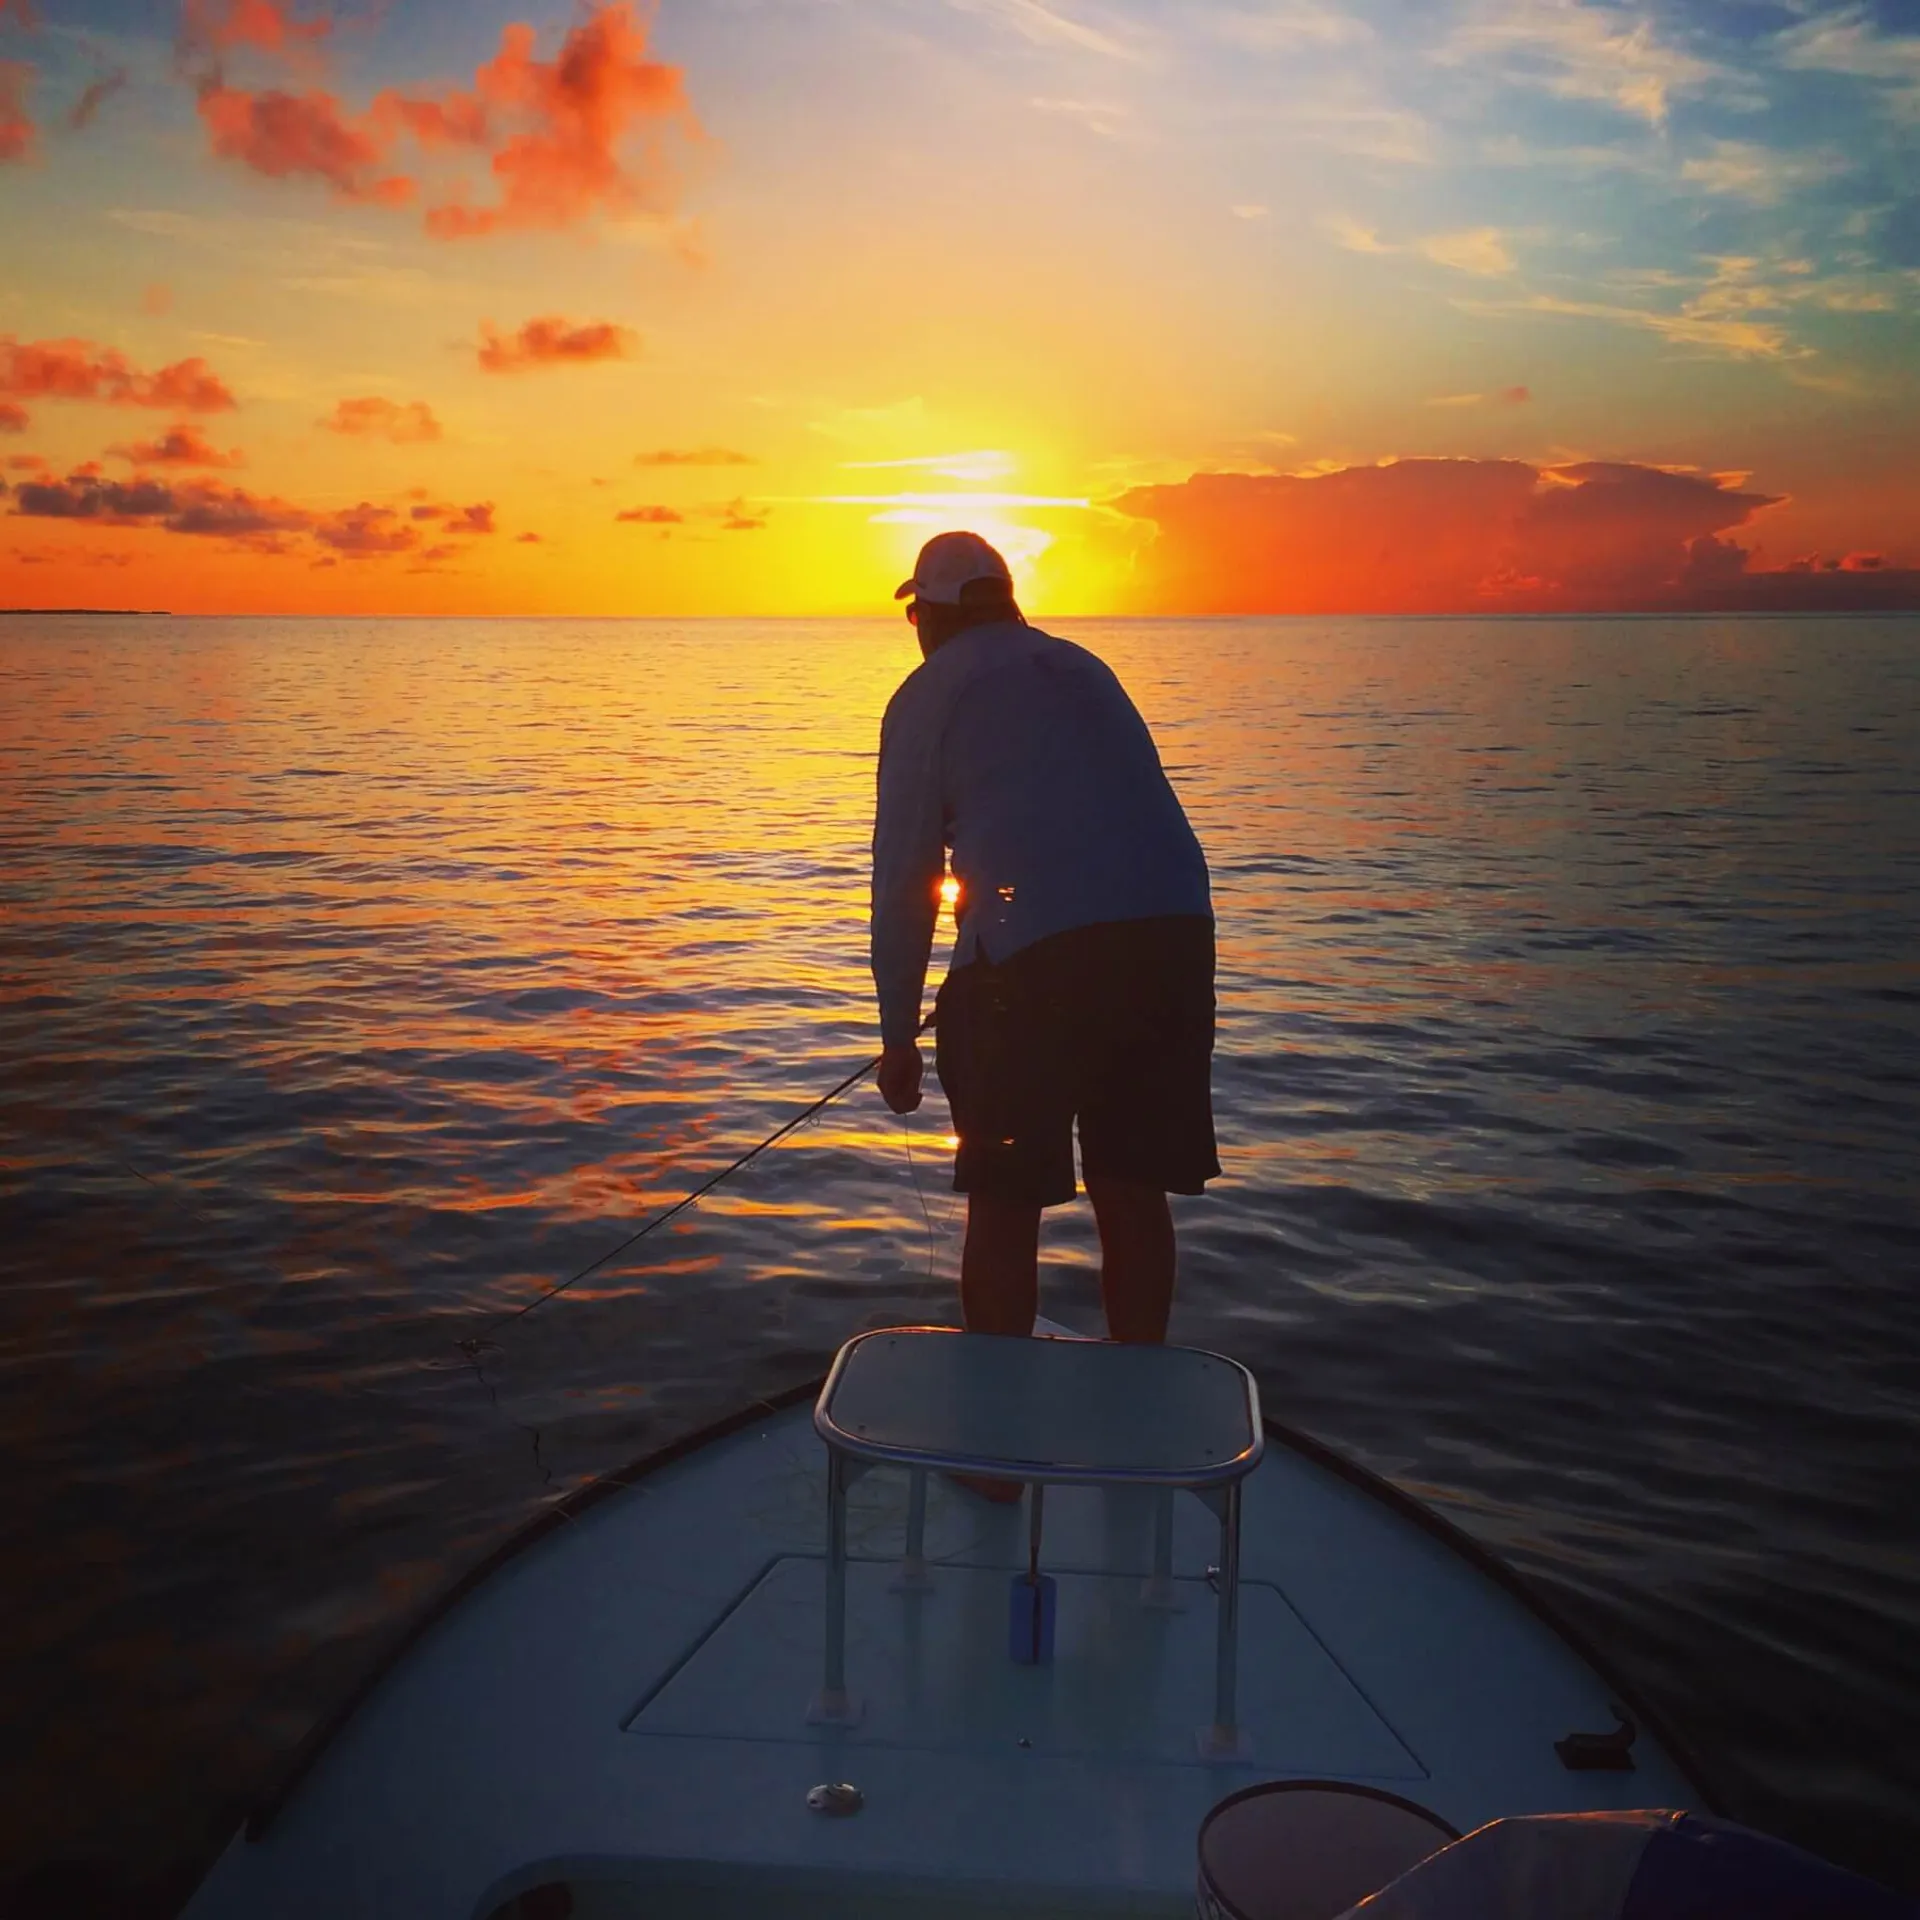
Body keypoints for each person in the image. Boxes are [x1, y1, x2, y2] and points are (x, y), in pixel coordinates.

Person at [870, 529, 1218, 1358]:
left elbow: (904, 883)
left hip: (1034, 965)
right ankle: (1142, 1407)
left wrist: (897, 1037)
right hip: (1173, 938)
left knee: (1004, 1196)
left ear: (930, 615)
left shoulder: (928, 693)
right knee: (1132, 1188)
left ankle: (993, 1464)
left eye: (915, 611)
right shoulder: (1082, 665)